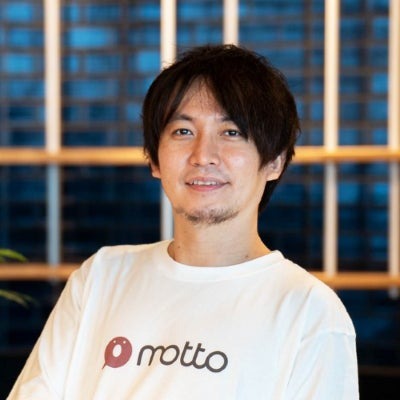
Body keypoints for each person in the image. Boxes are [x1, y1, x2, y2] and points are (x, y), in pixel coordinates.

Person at [8, 44, 358, 399]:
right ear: (154, 159)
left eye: (231, 132)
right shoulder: (100, 277)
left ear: (275, 162)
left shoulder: (309, 311)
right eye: (183, 132)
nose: (203, 156)